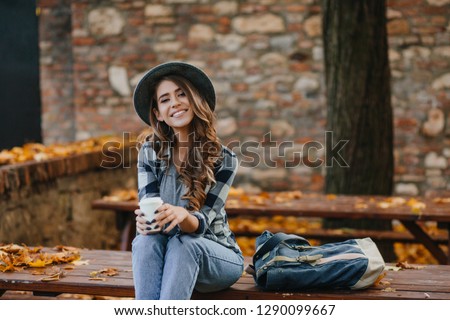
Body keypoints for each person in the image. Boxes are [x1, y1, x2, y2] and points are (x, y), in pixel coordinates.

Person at [132, 62, 244, 300]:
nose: (175, 103)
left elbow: (202, 223)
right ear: (158, 114)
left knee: (184, 244)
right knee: (144, 242)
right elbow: (150, 207)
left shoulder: (224, 159)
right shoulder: (149, 152)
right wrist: (145, 222)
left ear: (195, 100)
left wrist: (184, 216)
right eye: (165, 99)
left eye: (181, 94)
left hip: (215, 255)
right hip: (167, 251)